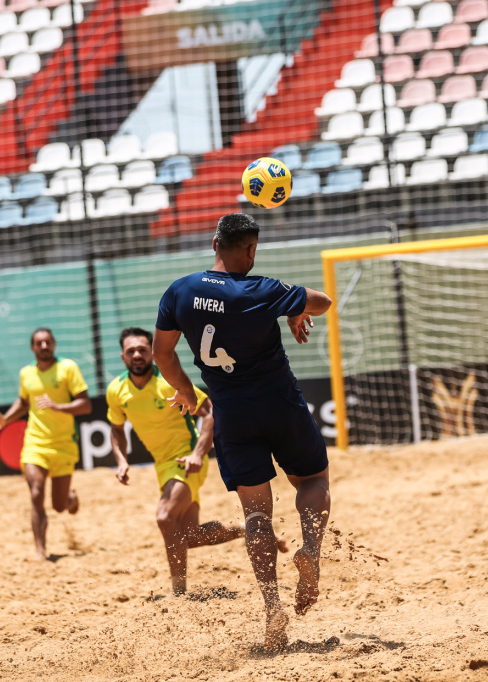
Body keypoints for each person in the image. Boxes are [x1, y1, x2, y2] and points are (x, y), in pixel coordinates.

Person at [152, 212, 332, 651]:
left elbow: (163, 354)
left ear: (214, 242)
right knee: (312, 480)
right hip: (279, 403)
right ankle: (309, 548)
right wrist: (295, 310)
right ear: (250, 249)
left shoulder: (181, 291)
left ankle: (272, 605)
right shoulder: (262, 290)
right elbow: (322, 301)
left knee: (255, 513)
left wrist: (187, 394)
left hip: (231, 412)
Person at [106, 327, 253, 596]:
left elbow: (209, 411)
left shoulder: (169, 381)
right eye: (131, 351)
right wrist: (121, 460)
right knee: (189, 536)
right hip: (162, 466)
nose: (137, 355)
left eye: (142, 349)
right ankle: (247, 529)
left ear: (151, 352)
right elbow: (116, 429)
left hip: (186, 459)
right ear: (123, 357)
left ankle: (178, 594)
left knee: (164, 517)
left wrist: (198, 453)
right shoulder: (116, 390)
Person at [0, 328, 91, 561]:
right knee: (36, 492)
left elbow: (85, 405)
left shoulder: (68, 368)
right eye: (39, 343)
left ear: (54, 344)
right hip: (35, 443)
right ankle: (40, 551)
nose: (44, 346)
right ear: (32, 348)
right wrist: (5, 419)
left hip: (64, 445)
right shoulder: (26, 373)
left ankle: (69, 498)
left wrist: (58, 406)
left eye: (48, 342)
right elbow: (24, 402)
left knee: (58, 505)